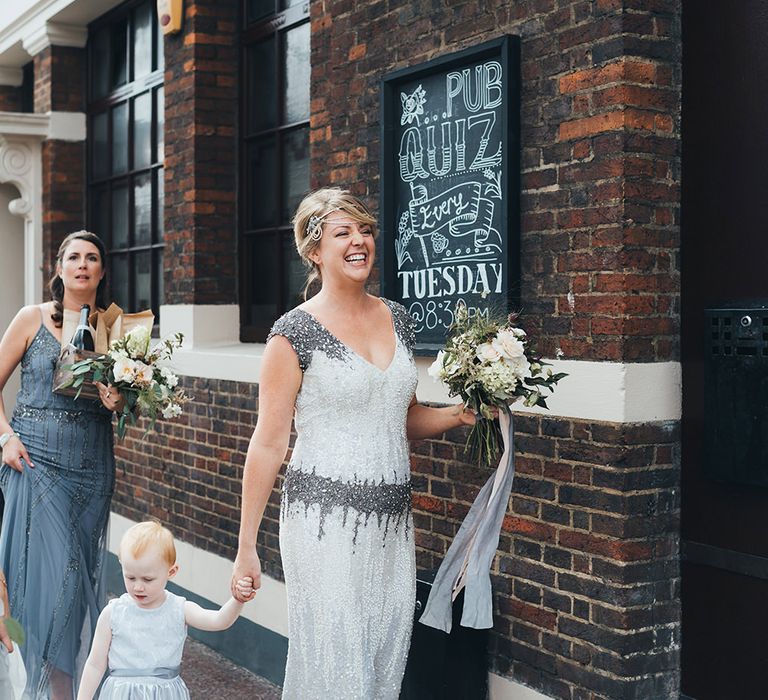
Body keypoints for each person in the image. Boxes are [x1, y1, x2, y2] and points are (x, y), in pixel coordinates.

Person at [231, 188, 479, 699]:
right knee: (340, 667)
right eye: (342, 233)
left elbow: (400, 417)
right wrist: (245, 547)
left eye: (364, 230)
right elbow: (268, 444)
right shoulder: (291, 335)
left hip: (391, 523)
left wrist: (459, 415)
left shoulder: (399, 318)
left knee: (383, 659)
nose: (359, 241)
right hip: (324, 523)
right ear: (314, 250)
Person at [0, 230, 123, 699]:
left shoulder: (117, 330)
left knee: (76, 584)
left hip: (92, 471)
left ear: (102, 270)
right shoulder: (31, 319)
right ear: (59, 267)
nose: (83, 265)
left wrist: (119, 401)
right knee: (48, 580)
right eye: (74, 257)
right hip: (35, 465)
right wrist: (5, 438)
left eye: (92, 258)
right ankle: (44, 686)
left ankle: (63, 686)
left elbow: (128, 404)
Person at [77, 521, 254, 700]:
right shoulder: (113, 613)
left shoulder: (179, 609)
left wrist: (237, 600)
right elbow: (95, 664)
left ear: (171, 572)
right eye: (130, 577)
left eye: (147, 579)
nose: (138, 587)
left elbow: (218, 620)